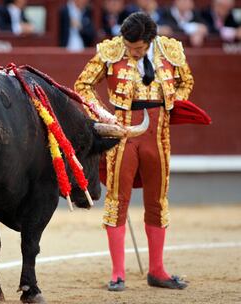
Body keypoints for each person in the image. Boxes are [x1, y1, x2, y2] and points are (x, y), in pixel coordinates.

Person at [74, 12, 194, 291]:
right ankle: (118, 274)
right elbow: (83, 86)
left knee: (157, 201)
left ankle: (158, 270)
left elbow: (186, 83)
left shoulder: (171, 50)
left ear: (150, 40)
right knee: (117, 199)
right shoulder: (111, 50)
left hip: (159, 134)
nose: (133, 53)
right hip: (123, 132)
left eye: (138, 49)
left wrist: (173, 102)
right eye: (130, 48)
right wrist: (103, 114)